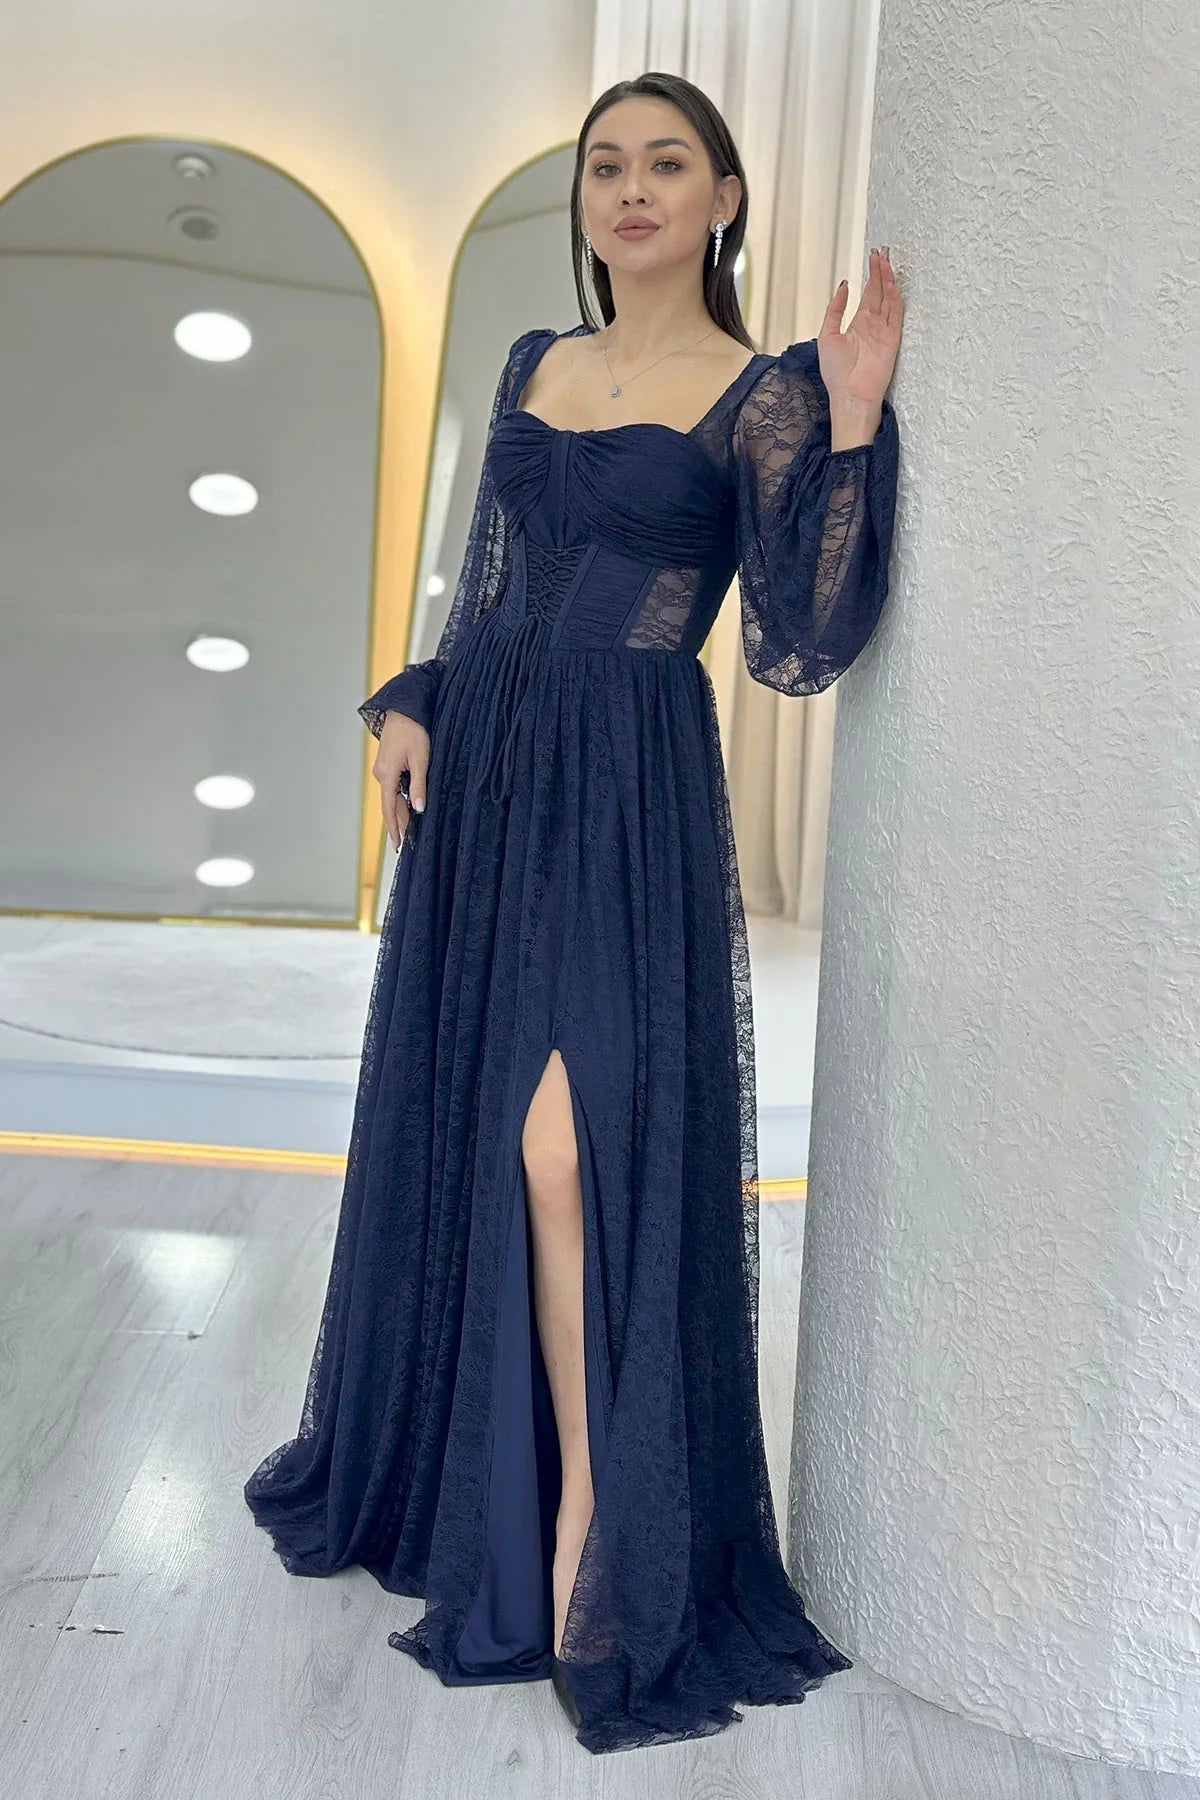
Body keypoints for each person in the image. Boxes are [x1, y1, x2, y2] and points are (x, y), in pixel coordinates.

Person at [244, 69, 903, 1755]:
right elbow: (488, 583)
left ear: (724, 200)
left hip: (624, 784)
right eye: (608, 164)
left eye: (668, 164)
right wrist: (417, 699)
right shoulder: (535, 359)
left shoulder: (763, 391)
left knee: (569, 1143)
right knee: (484, 1124)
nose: (632, 189)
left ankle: (598, 1526)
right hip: (491, 774)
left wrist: (850, 423)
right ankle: (500, 1493)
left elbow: (799, 641)